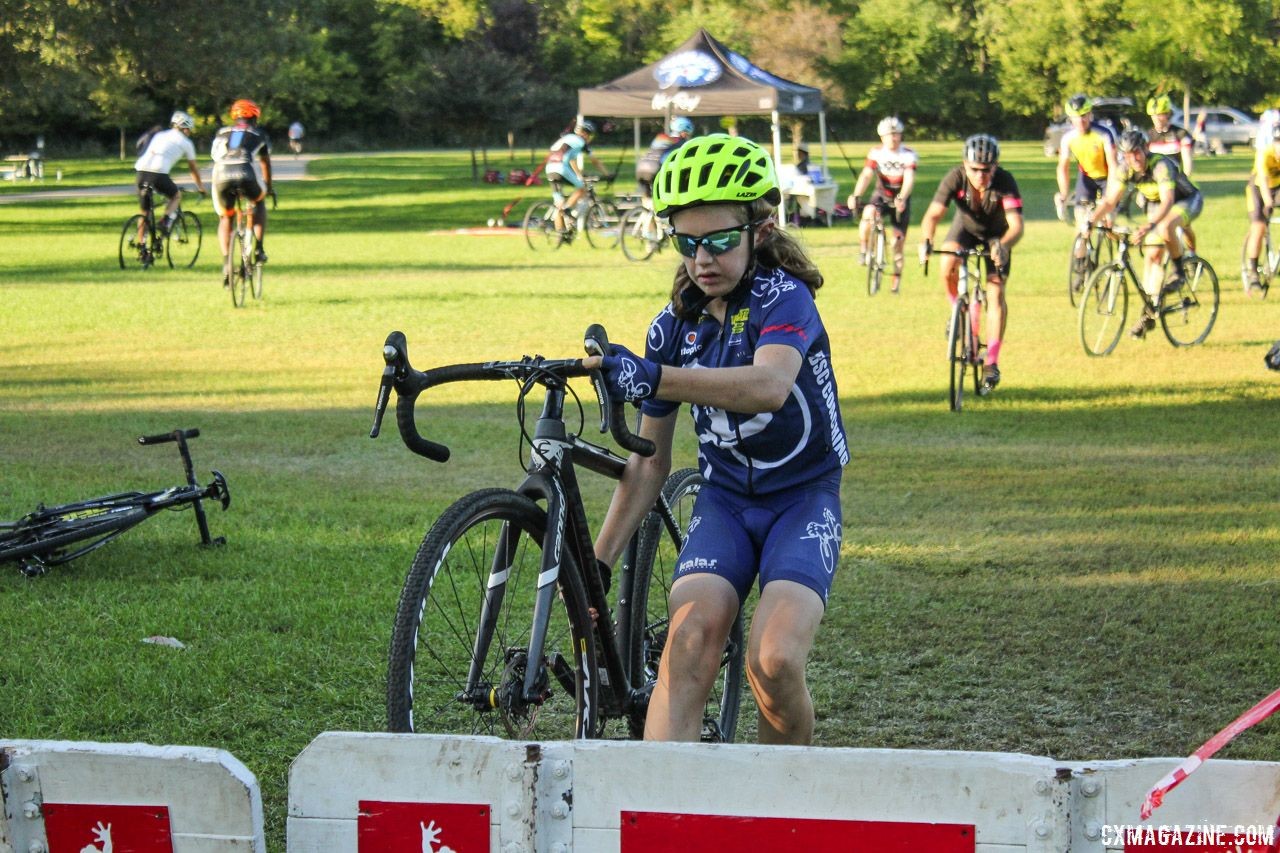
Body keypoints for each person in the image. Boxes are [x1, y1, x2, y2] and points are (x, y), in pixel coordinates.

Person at [586, 133, 849, 745]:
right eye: (687, 242)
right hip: (726, 503)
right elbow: (649, 463)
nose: (702, 258)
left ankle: (781, 815)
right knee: (687, 643)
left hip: (802, 500)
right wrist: (600, 560)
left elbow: (770, 385)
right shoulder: (673, 326)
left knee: (774, 660)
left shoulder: (787, 298)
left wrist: (658, 376)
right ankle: (655, 819)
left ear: (760, 229)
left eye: (720, 240)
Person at [918, 134, 1023, 394]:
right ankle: (957, 311)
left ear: (995, 167)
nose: (980, 176)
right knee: (947, 262)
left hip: (998, 236)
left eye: (986, 170)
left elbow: (1017, 226)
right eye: (974, 169)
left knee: (996, 293)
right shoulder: (955, 178)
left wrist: (1004, 245)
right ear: (965, 165)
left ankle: (992, 361)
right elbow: (933, 215)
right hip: (965, 230)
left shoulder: (1005, 181)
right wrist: (926, 240)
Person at [1088, 128, 1203, 337]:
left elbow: (1168, 200)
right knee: (1153, 256)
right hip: (1156, 204)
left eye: (1137, 153)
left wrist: (1150, 225)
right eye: (1128, 155)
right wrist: (1090, 222)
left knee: (1165, 226)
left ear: (1145, 149)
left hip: (1185, 200)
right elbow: (1110, 200)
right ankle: (1151, 310)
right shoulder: (1125, 169)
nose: (1134, 159)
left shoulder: (1161, 165)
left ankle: (1178, 271)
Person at [848, 116, 917, 293]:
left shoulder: (908, 154)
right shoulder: (876, 153)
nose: (893, 139)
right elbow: (866, 175)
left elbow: (909, 179)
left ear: (901, 136)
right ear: (882, 137)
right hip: (882, 194)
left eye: (896, 135)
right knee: (869, 213)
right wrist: (856, 194)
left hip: (900, 198)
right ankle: (864, 250)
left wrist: (902, 196)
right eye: (889, 135)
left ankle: (896, 283)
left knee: (898, 244)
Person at [210, 98, 273, 280]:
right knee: (259, 201)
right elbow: (265, 163)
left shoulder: (222, 132)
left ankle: (226, 263)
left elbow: (215, 156)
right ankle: (259, 248)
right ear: (255, 117)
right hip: (246, 171)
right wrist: (268, 188)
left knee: (226, 216)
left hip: (221, 172)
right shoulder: (259, 134)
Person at [133, 111, 206, 247]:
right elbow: (193, 169)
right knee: (176, 196)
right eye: (189, 130)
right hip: (158, 174)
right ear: (185, 128)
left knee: (145, 212)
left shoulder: (160, 135)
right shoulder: (186, 143)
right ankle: (165, 221)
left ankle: (141, 245)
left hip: (140, 172)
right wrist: (201, 187)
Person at [1055, 95, 1117, 227]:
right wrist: (1064, 194)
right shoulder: (1068, 138)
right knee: (1081, 223)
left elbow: (1113, 165)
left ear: (1090, 114)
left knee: (1108, 222)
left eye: (1083, 115)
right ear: (1070, 118)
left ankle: (1119, 243)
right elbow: (1063, 168)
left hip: (1107, 177)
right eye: (1075, 117)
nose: (1080, 120)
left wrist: (1110, 193)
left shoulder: (1104, 133)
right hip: (1087, 178)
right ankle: (1081, 246)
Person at [545, 119, 610, 234]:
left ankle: (561, 234)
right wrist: (607, 174)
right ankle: (567, 209)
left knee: (559, 202)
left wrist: (578, 175)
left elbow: (571, 159)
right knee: (582, 189)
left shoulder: (566, 138)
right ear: (586, 134)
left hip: (550, 168)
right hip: (561, 168)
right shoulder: (581, 142)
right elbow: (595, 161)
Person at [1243, 123, 1280, 293]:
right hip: (1258, 189)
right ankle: (1252, 272)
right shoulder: (1264, 154)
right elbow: (1264, 182)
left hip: (1278, 188)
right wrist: (1268, 202)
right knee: (1258, 227)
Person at [635, 117, 693, 202]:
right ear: (683, 132)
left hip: (641, 168)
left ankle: (644, 213)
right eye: (687, 133)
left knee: (648, 200)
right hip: (656, 168)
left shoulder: (660, 137)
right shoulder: (681, 143)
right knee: (667, 196)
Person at [1146, 95, 1194, 176]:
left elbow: (1187, 162)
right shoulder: (1148, 135)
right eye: (1153, 115)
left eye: (1160, 115)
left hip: (1176, 177)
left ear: (1168, 114)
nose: (1156, 119)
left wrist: (1184, 179)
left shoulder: (1181, 134)